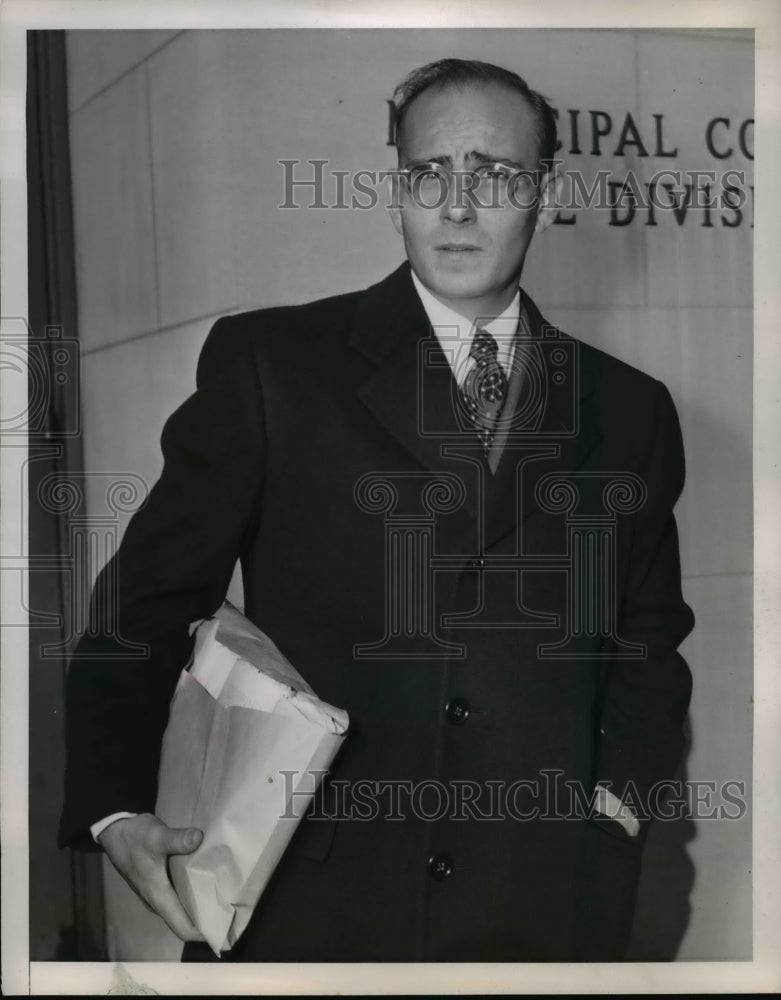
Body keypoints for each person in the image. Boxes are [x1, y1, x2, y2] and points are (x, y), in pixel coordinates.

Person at [58, 58, 694, 962]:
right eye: (430, 174)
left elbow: (648, 637)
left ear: (544, 197)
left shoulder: (630, 408)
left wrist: (616, 801)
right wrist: (114, 805)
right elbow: (144, 607)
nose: (459, 206)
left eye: (498, 176)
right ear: (397, 190)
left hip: (544, 904)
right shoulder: (273, 364)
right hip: (308, 904)